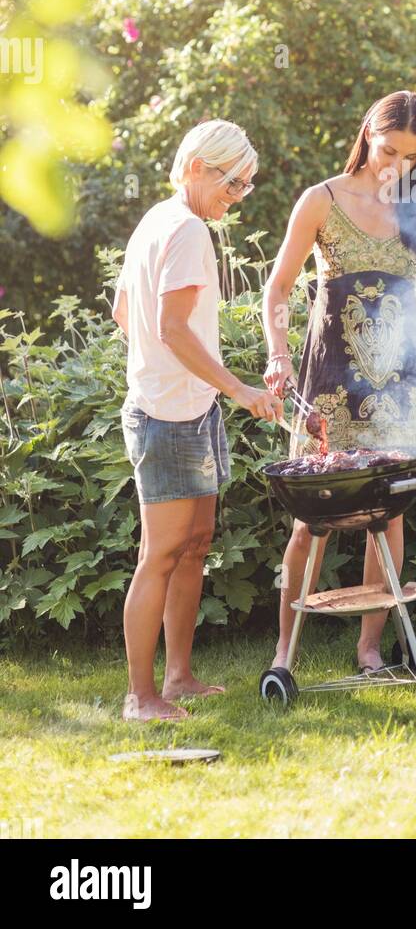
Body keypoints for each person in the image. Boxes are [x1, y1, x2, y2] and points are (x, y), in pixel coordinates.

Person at [263, 91, 416, 675]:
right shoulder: (320, 200)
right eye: (387, 149)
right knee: (310, 519)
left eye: (409, 158)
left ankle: (369, 648)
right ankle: (283, 651)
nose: (394, 165)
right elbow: (277, 291)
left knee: (386, 517)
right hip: (329, 380)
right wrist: (277, 355)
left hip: (401, 384)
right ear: (368, 131)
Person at [113, 120, 284, 722]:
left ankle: (179, 676)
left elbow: (122, 312)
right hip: (168, 418)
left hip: (190, 407)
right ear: (196, 168)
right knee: (161, 555)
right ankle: (141, 697)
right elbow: (169, 328)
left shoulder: (157, 220)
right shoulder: (184, 229)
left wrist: (170, 369)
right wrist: (237, 388)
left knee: (195, 545)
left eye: (245, 187)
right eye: (231, 183)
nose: (235, 197)